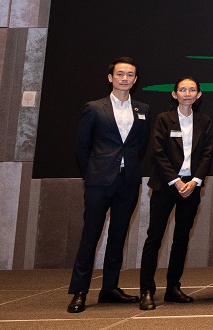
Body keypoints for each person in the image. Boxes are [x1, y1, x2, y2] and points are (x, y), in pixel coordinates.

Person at [67, 56, 150, 313]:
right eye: (120, 74)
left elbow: (139, 146)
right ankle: (79, 291)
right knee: (91, 235)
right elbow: (82, 146)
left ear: (135, 80)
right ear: (110, 77)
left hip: (128, 182)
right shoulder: (94, 107)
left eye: (130, 75)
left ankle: (109, 289)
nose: (125, 78)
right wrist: (91, 172)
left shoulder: (143, 109)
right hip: (99, 181)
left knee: (118, 236)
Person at [139, 77, 213, 310]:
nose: (187, 93)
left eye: (192, 90)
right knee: (155, 237)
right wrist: (176, 181)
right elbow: (158, 152)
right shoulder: (163, 119)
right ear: (175, 94)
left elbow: (207, 154)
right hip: (166, 186)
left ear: (199, 95)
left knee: (181, 238)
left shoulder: (205, 120)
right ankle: (147, 291)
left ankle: (173, 287)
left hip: (192, 187)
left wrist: (195, 181)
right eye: (183, 89)